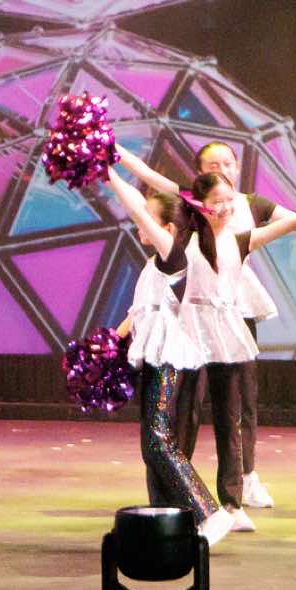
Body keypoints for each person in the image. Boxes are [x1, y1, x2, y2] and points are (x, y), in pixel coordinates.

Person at [115, 143, 296, 510]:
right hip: (184, 337)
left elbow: (295, 221)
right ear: (199, 202)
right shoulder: (181, 244)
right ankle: (178, 499)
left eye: (230, 198)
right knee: (177, 419)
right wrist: (107, 160)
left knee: (230, 413)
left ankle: (232, 501)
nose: (227, 207)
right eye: (218, 200)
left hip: (227, 334)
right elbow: (141, 201)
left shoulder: (240, 238)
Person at [102, 169, 222, 539]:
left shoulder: (175, 258)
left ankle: (207, 511)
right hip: (156, 356)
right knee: (151, 446)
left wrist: (108, 174)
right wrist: (110, 343)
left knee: (157, 439)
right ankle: (164, 522)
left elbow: (136, 208)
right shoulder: (154, 264)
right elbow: (138, 312)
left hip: (170, 357)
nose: (139, 223)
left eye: (148, 220)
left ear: (167, 229)